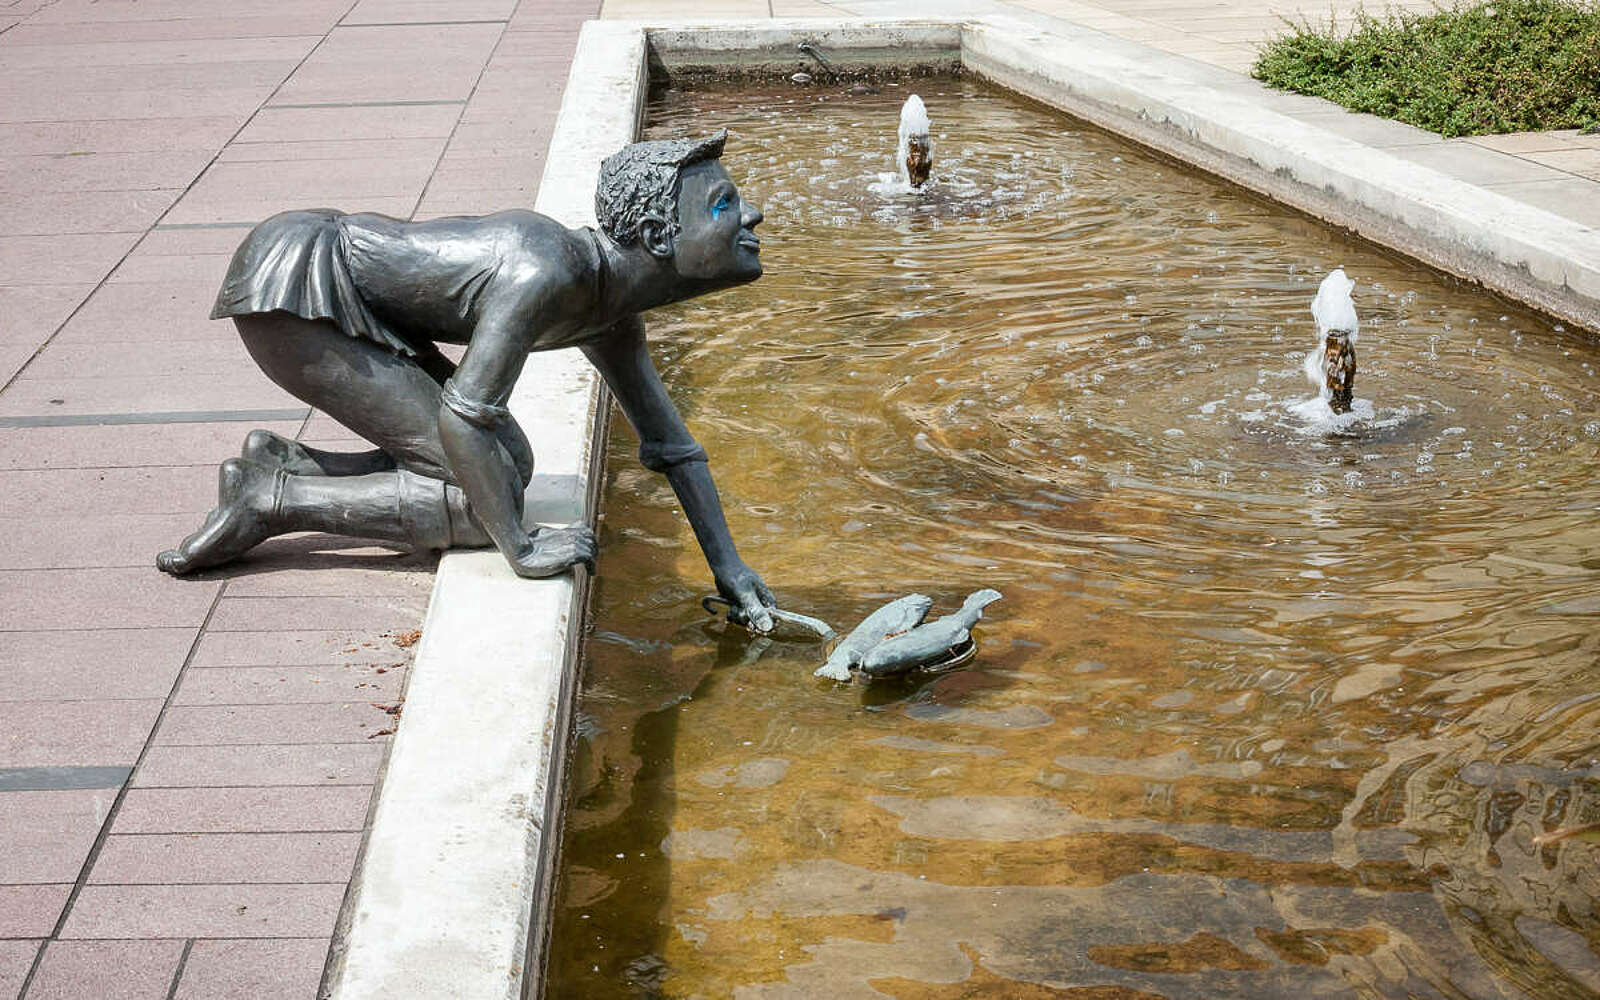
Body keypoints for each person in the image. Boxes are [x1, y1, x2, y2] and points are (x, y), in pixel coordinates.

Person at [157, 130, 778, 631]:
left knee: (505, 466)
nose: (752, 212)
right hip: (294, 289)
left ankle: (288, 463)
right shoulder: (547, 272)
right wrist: (522, 546)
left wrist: (727, 565)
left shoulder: (610, 314)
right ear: (655, 236)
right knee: (489, 499)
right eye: (722, 204)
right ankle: (272, 500)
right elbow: (464, 415)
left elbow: (671, 446)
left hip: (348, 290)